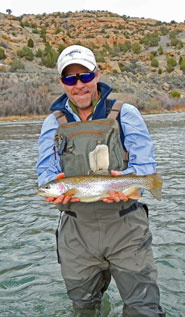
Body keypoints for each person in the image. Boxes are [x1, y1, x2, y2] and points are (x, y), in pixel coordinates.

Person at [37, 45, 165, 317]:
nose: (79, 85)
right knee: (84, 309)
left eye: (85, 76)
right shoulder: (52, 122)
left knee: (145, 309)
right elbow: (45, 171)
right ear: (61, 82)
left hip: (126, 226)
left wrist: (131, 184)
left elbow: (145, 163)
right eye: (70, 79)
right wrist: (52, 185)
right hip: (76, 234)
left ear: (97, 74)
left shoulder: (126, 113)